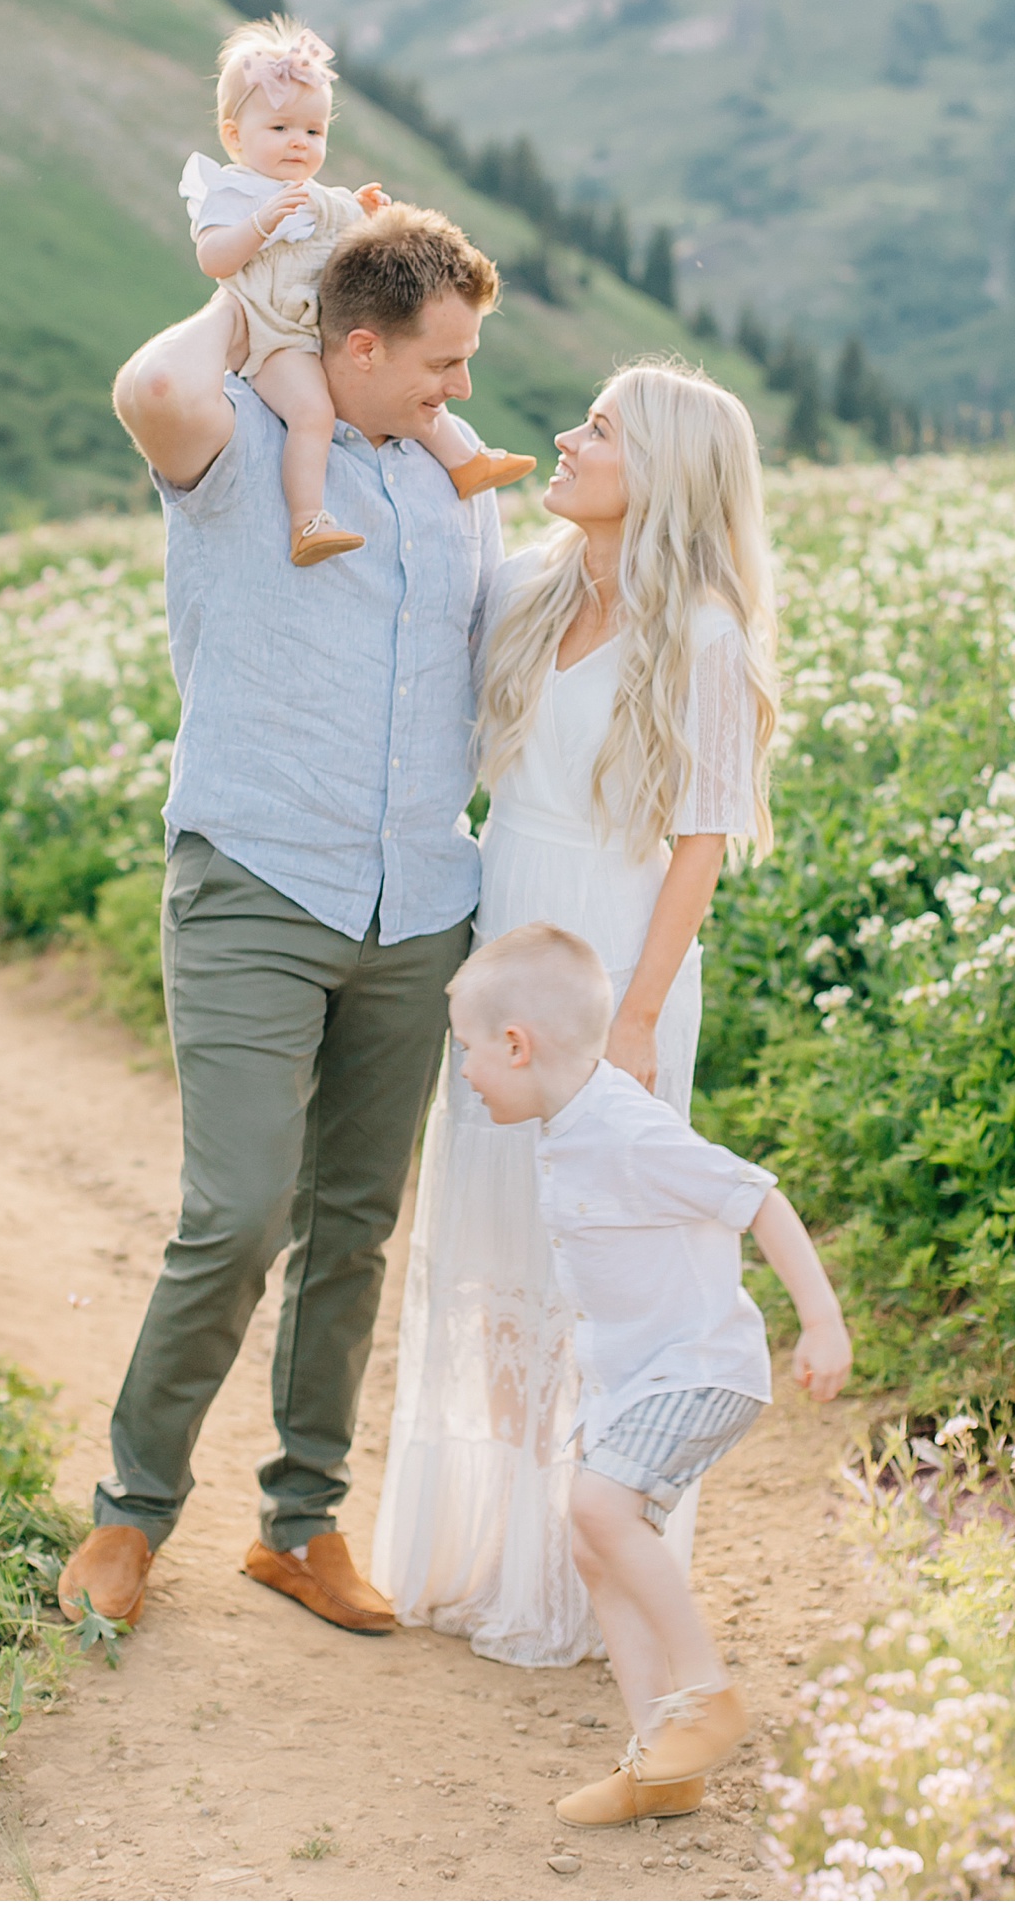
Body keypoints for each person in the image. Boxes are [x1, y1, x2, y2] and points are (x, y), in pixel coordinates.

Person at [56, 203, 510, 1641]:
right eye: (441, 362)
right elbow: (147, 389)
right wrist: (260, 281)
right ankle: (132, 1508)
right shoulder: (236, 451)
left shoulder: (461, 481)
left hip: (420, 899)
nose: (462, 388)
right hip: (257, 874)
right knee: (237, 1208)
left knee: (354, 1225)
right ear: (355, 345)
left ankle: (301, 1521)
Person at [374, 360, 780, 1664]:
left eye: (598, 429)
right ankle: (492, 1545)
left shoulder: (704, 632)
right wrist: (423, 406)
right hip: (511, 928)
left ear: (656, 470)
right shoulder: (539, 590)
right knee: (495, 1237)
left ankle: (578, 1567)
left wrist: (641, 1014)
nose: (568, 436)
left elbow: (700, 843)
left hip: (611, 960)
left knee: (593, 1261)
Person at [444, 922, 852, 1828]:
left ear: (517, 1044)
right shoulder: (567, 1124)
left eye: (467, 1049)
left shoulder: (626, 1127)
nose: (465, 1071)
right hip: (632, 1380)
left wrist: (821, 1320)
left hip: (698, 1366)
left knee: (598, 1508)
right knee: (593, 1540)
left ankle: (706, 1695)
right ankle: (660, 1764)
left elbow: (757, 1196)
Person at [178, 17, 532, 564]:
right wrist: (260, 224)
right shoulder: (233, 193)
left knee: (409, 386)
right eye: (279, 130)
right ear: (233, 136)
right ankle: (308, 519)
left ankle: (467, 463)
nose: (299, 142)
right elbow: (213, 259)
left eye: (313, 132)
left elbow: (345, 247)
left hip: (322, 326)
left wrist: (363, 211)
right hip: (275, 337)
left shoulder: (315, 194)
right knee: (314, 413)